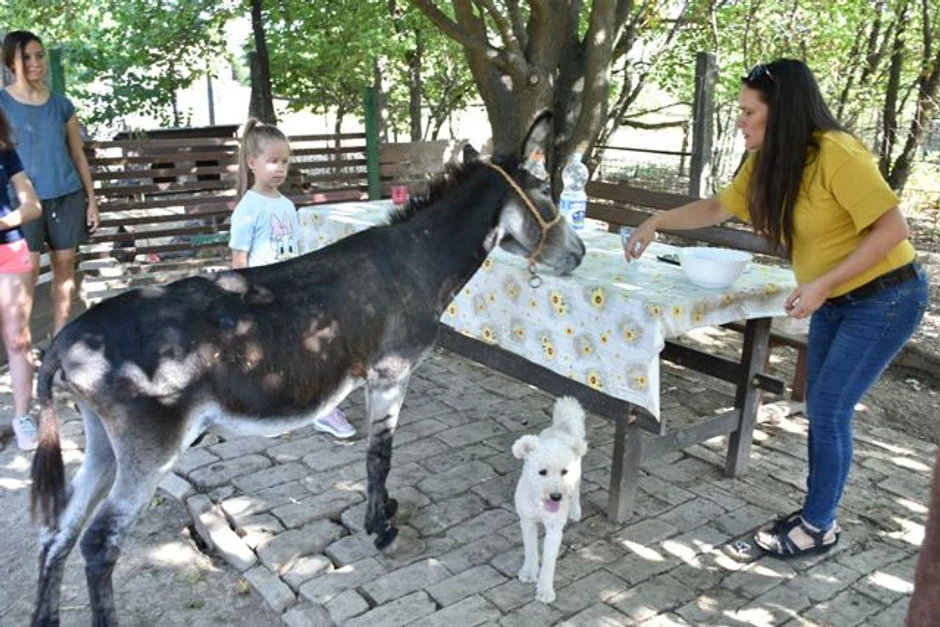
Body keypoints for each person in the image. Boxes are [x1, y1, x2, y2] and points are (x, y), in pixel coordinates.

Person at [624, 58, 929, 558]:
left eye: (748, 111)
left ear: (780, 111)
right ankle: (816, 513)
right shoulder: (770, 158)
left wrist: (822, 284)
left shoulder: (837, 153)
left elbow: (894, 231)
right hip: (837, 297)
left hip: (887, 296)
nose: (740, 120)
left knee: (830, 410)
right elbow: (718, 207)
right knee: (822, 410)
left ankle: (819, 527)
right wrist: (656, 220)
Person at [229, 118, 356, 439]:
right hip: (262, 295)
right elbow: (239, 258)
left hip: (292, 294)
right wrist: (244, 299)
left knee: (310, 347)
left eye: (284, 161)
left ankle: (322, 408)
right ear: (252, 163)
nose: (280, 168)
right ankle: (271, 411)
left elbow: (296, 252)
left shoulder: (286, 205)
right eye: (273, 161)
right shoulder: (247, 208)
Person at [0, 31, 99, 337]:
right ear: (11, 63)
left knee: (65, 267)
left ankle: (60, 340)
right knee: (25, 274)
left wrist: (92, 201)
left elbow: (77, 154)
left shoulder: (62, 105)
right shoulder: (1, 102)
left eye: (39, 55)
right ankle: (22, 345)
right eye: (25, 57)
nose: (35, 62)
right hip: (23, 205)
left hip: (66, 195)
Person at [0, 108, 43, 450]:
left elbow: (32, 207)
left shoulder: (5, 150)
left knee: (18, 339)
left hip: (9, 250)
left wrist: (2, 223)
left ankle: (23, 417)